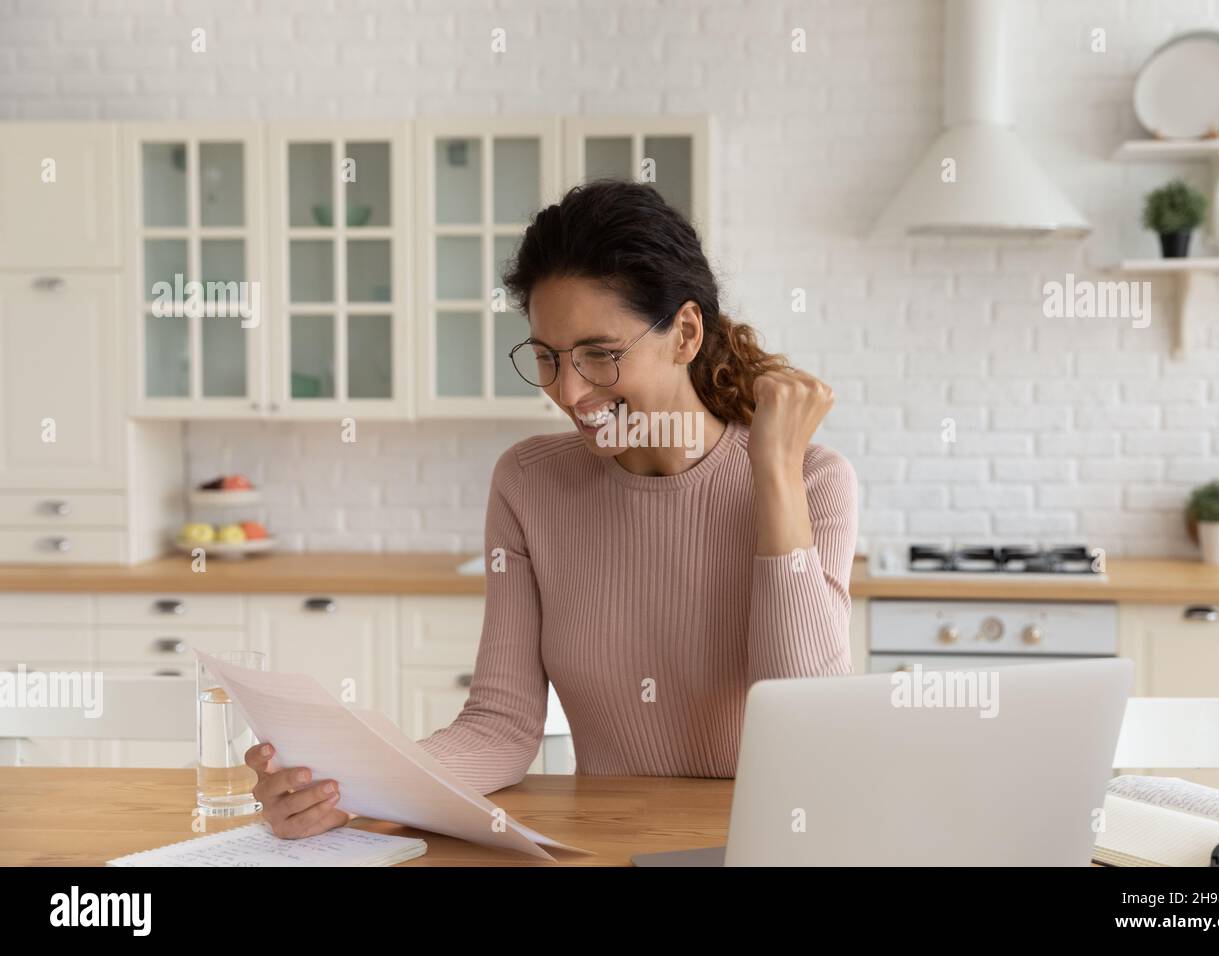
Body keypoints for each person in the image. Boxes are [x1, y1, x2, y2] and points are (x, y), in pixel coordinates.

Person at [247, 179, 858, 838]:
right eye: (547, 357)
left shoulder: (812, 481)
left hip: (770, 843)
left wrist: (773, 473)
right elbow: (502, 726)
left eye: (600, 354)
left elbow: (804, 723)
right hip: (609, 843)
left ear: (684, 333)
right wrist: (352, 787)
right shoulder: (528, 483)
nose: (569, 391)